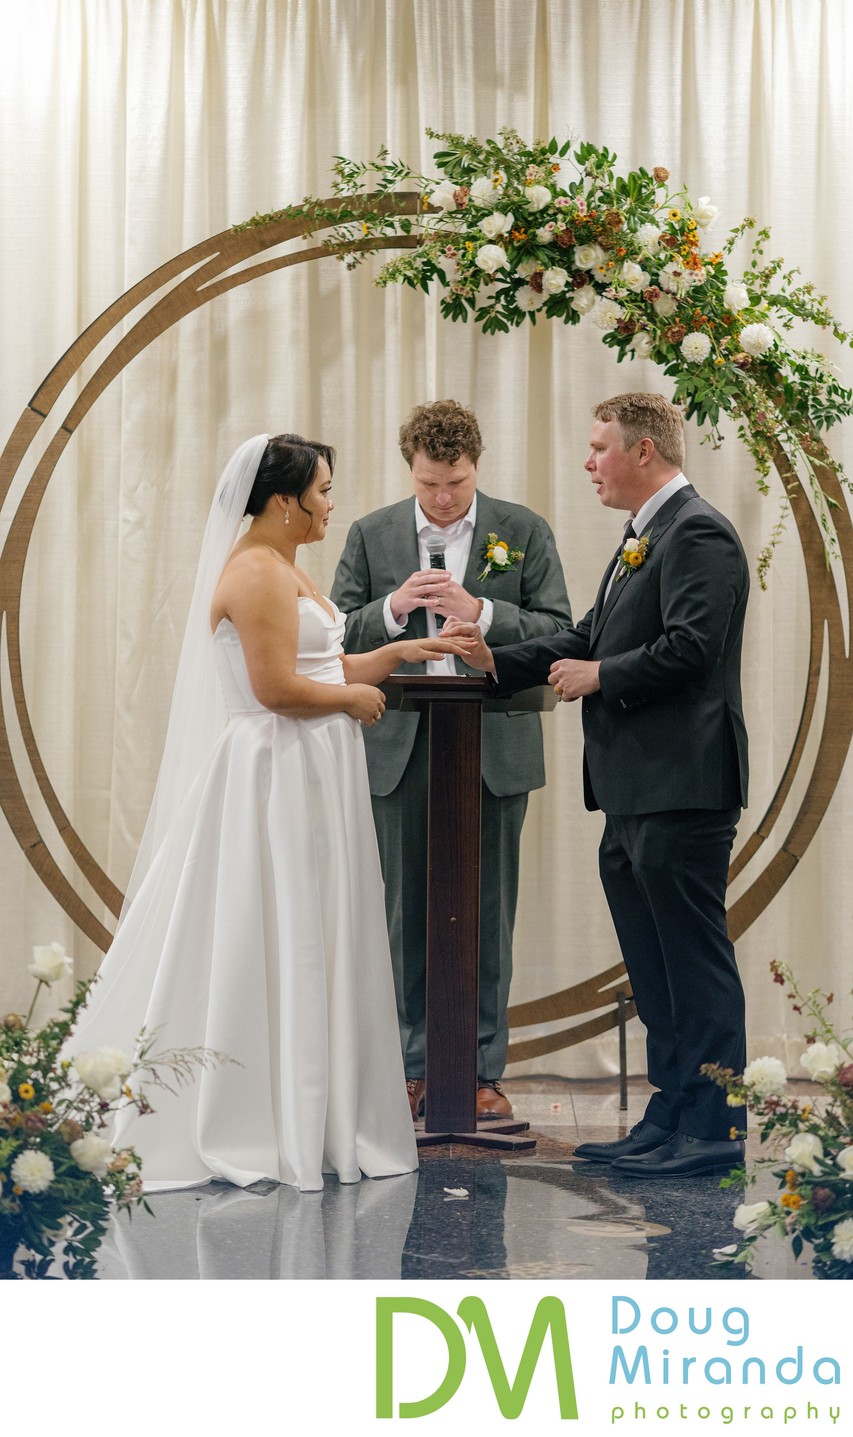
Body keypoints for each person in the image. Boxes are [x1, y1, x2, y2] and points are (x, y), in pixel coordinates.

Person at [63, 433, 473, 1193]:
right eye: (319, 491)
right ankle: (255, 1118)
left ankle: (312, 1109)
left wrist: (390, 660)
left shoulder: (284, 564)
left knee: (313, 925)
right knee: (277, 928)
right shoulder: (253, 572)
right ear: (282, 500)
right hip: (276, 768)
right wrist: (352, 699)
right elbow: (274, 690)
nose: (328, 505)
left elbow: (319, 662)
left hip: (312, 764)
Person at [445, 393, 749, 1177]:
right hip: (632, 788)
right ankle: (670, 1111)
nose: (588, 461)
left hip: (682, 784)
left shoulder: (699, 532)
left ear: (643, 451)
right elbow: (585, 634)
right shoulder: (640, 536)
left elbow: (690, 648)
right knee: (653, 970)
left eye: (598, 447)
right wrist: (493, 659)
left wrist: (600, 674)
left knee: (693, 964)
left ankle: (712, 1130)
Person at [331, 400, 572, 1121]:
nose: (441, 499)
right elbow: (334, 633)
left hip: (491, 740)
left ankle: (480, 1069)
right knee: (404, 910)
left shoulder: (523, 529)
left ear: (476, 467)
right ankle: (410, 1065)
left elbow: (562, 629)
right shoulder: (371, 533)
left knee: (487, 911)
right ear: (411, 469)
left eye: (456, 484)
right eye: (429, 483)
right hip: (399, 744)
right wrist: (392, 608)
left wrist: (484, 613)